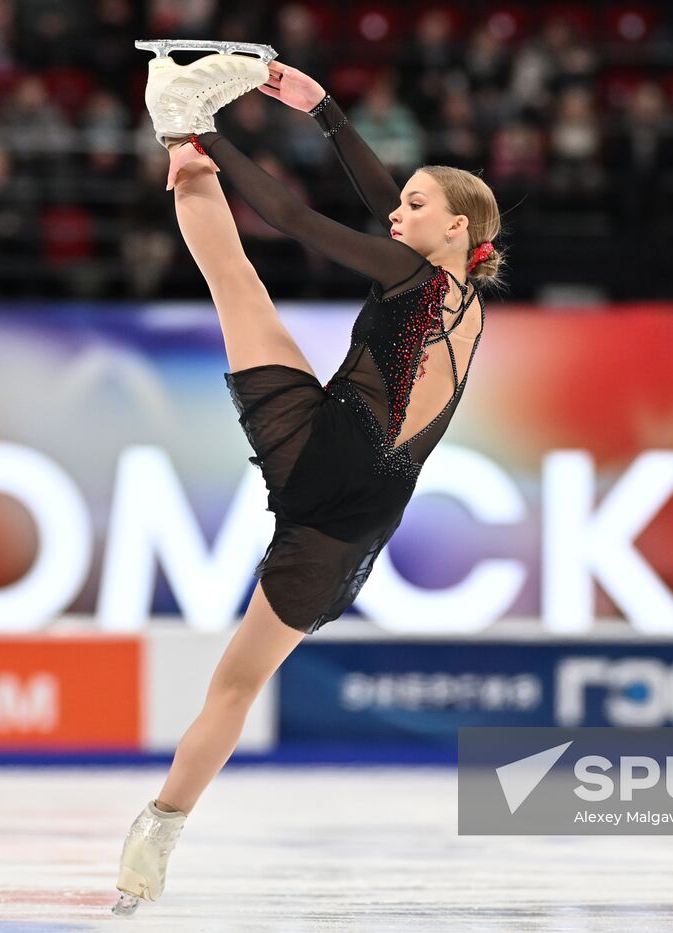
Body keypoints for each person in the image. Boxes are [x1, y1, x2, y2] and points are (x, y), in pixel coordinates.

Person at [111, 51, 504, 915]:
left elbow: (289, 213)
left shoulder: (410, 272)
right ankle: (160, 829)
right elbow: (377, 202)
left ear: (453, 229)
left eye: (414, 203)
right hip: (360, 504)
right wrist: (324, 108)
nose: (395, 208)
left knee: (236, 283)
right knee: (240, 684)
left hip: (330, 463)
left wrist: (207, 134)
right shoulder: (463, 293)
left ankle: (176, 131)